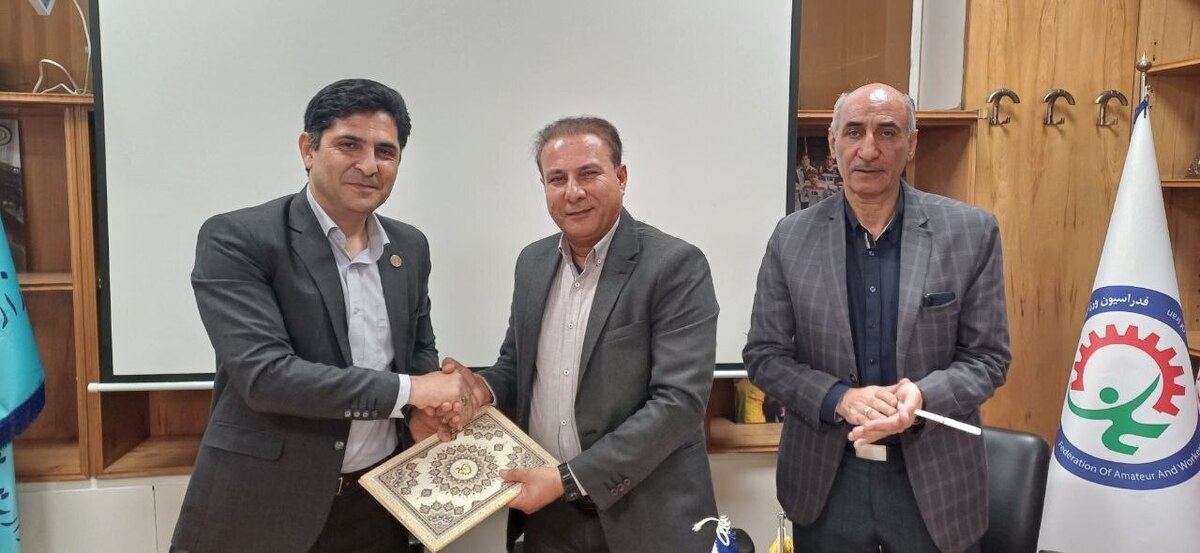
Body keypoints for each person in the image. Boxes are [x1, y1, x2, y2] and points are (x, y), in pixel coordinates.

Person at [171, 78, 475, 553]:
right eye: (349, 145)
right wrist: (413, 391)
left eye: (386, 151)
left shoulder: (409, 247)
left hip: (376, 504)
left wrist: (422, 410)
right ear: (308, 150)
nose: (369, 165)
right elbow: (266, 377)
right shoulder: (238, 238)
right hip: (263, 507)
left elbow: (418, 350)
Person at [417, 116, 720, 552]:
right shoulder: (532, 263)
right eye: (557, 179)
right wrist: (479, 389)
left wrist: (568, 479)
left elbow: (679, 404)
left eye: (589, 174)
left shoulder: (674, 265)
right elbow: (517, 366)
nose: (573, 192)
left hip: (645, 515)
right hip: (549, 518)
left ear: (621, 177)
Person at [743, 83, 1010, 553]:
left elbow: (988, 359)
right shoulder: (791, 237)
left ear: (911, 143)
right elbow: (765, 355)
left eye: (887, 132)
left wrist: (922, 396)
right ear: (832, 143)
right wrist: (839, 398)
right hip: (827, 481)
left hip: (934, 480)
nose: (868, 150)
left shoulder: (971, 232)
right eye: (853, 132)